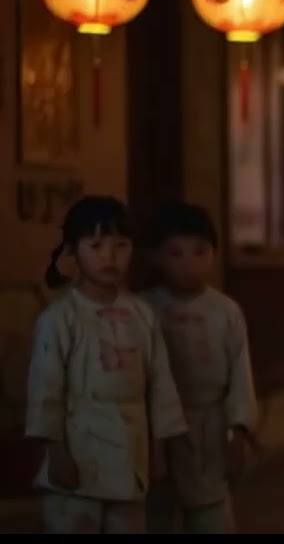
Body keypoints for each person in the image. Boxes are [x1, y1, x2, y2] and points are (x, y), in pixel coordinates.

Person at [26, 195, 188, 534]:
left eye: (121, 245)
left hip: (130, 450)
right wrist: (55, 451)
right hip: (78, 445)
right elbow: (46, 388)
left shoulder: (142, 315)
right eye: (96, 245)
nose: (109, 256)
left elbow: (160, 383)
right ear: (73, 252)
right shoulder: (59, 319)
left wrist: (158, 448)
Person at [140, 202, 258, 534]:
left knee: (211, 510)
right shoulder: (144, 307)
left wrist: (239, 433)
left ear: (214, 254)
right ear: (156, 257)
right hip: (157, 430)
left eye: (199, 251)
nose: (188, 263)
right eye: (175, 253)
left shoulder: (226, 311)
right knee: (156, 511)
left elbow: (240, 374)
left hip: (210, 423)